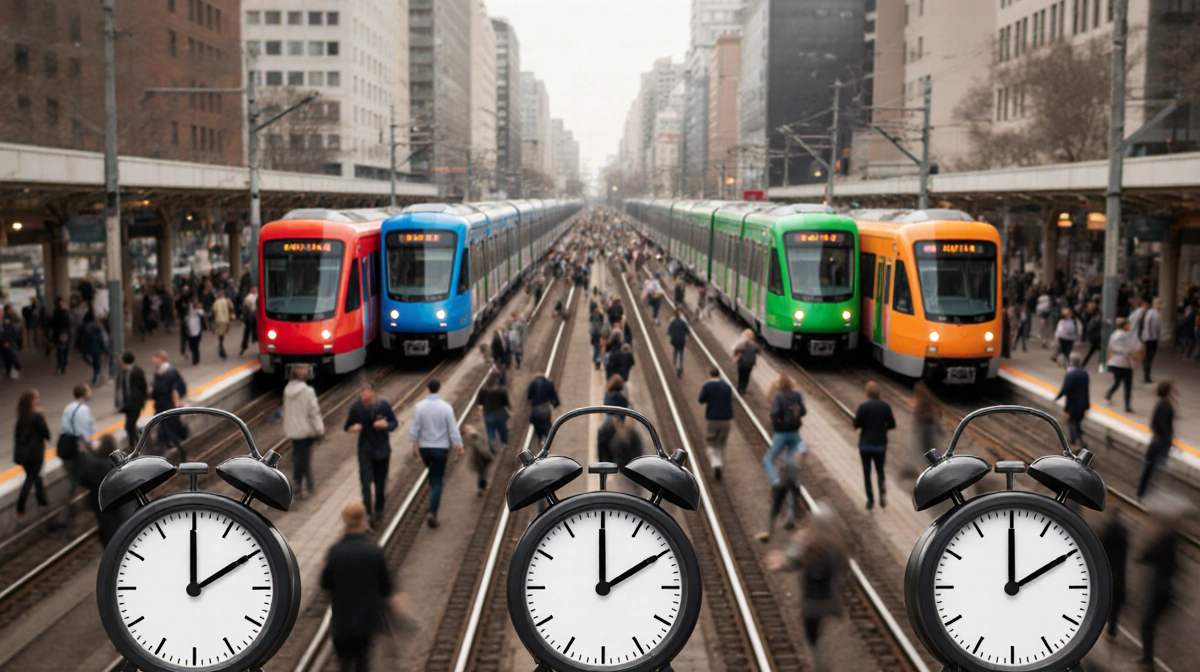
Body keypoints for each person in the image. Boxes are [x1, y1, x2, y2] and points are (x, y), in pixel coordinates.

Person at [320, 502, 397, 672]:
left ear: (344, 520)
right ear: (363, 520)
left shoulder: (336, 551)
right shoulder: (374, 551)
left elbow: (324, 582)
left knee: (344, 664)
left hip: (342, 622)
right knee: (363, 663)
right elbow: (385, 587)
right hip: (365, 623)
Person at [767, 510, 848, 668]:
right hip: (829, 602)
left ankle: (820, 665)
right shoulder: (836, 548)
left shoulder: (809, 545)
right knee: (818, 631)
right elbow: (843, 569)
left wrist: (779, 563)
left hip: (810, 604)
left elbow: (792, 562)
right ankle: (821, 658)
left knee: (813, 639)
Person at [407, 380, 462, 528]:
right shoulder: (446, 408)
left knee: (432, 474)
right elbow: (452, 429)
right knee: (437, 481)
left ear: (428, 389)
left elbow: (415, 428)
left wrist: (414, 444)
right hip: (440, 449)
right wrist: (459, 445)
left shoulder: (419, 407)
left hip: (425, 449)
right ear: (438, 389)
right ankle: (432, 511)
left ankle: (432, 501)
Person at [346, 384, 399, 524]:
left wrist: (386, 425)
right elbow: (347, 426)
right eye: (363, 401)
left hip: (382, 450)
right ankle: (368, 513)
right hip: (365, 450)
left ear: (374, 396)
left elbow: (394, 423)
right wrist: (353, 428)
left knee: (380, 483)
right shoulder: (356, 407)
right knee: (365, 483)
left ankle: (379, 508)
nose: (366, 403)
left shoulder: (384, 406)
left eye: (368, 400)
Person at [1137, 503, 1178, 668]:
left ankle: (1148, 659)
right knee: (1149, 624)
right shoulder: (1172, 539)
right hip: (1165, 590)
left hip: (1160, 591)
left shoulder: (1163, 540)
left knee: (1146, 625)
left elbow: (1145, 555)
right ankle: (1147, 658)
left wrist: (1148, 535)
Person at [852, 381, 896, 510]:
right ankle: (882, 491)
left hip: (865, 445)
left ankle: (870, 501)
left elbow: (856, 424)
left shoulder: (863, 407)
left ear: (867, 392)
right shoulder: (885, 406)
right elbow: (892, 424)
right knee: (880, 471)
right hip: (880, 445)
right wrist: (883, 428)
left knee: (867, 473)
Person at [284, 364, 324, 498]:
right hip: (305, 431)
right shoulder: (308, 391)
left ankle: (309, 484)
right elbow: (313, 413)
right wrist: (320, 429)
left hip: (293, 431)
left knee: (301, 456)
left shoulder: (287, 391)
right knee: (303, 458)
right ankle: (297, 483)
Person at [13, 389, 50, 519]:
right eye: (36, 398)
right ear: (32, 401)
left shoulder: (20, 418)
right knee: (30, 479)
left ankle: (42, 502)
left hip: (23, 456)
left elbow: (17, 437)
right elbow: (46, 433)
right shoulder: (37, 417)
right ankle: (20, 509)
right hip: (35, 456)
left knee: (36, 477)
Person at [1136, 380, 1175, 499]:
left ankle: (1143, 493)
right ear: (1168, 391)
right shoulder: (1165, 405)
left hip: (1159, 441)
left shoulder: (1162, 403)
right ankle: (1143, 493)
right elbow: (1158, 423)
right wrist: (1168, 436)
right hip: (1160, 443)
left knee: (1150, 468)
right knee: (1151, 469)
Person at [757, 445, 804, 542]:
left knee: (776, 507)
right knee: (792, 498)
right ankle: (790, 519)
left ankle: (769, 528)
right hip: (791, 479)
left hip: (780, 480)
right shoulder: (799, 446)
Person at [150, 350, 188, 460]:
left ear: (162, 359)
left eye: (155, 360)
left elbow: (179, 387)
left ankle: (180, 456)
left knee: (170, 433)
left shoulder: (171, 372)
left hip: (169, 407)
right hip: (160, 407)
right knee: (163, 434)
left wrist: (178, 401)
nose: (154, 363)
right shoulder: (157, 373)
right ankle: (169, 457)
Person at [697, 367, 734, 479]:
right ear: (719, 374)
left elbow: (701, 399)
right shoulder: (727, 386)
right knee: (721, 444)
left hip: (712, 419)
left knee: (710, 442)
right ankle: (721, 464)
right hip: (726, 420)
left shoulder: (708, 386)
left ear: (710, 374)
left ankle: (715, 462)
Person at [905, 382, 942, 480]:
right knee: (930, 456)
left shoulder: (921, 404)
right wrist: (940, 430)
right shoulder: (931, 402)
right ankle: (934, 474)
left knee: (923, 455)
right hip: (931, 433)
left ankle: (927, 478)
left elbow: (919, 419)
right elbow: (937, 418)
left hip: (924, 434)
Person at [1055, 353, 1091, 451]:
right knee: (1078, 423)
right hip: (1083, 404)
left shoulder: (1070, 374)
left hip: (1072, 404)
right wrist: (1087, 406)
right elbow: (1086, 390)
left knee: (1071, 422)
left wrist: (1057, 398)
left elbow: (1065, 389)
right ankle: (1082, 442)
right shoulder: (1085, 373)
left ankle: (1073, 443)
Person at [59, 383, 94, 480]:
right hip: (80, 445)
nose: (90, 392)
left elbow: (65, 426)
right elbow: (83, 430)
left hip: (68, 442)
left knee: (74, 468)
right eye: (88, 390)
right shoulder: (84, 409)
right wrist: (89, 443)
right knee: (85, 469)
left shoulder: (68, 407)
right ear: (84, 393)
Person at [1104, 317, 1139, 413]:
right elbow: (1132, 348)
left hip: (1115, 362)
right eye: (1128, 324)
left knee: (1117, 381)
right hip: (1125, 363)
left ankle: (1109, 393)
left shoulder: (1113, 335)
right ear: (1125, 326)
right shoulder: (1127, 336)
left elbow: (1109, 348)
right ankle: (1127, 405)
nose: (1130, 326)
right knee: (1128, 385)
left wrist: (1108, 360)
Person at [476, 373, 511, 469]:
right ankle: (504, 444)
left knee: (490, 430)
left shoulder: (483, 390)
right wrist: (509, 409)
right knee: (503, 429)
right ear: (497, 381)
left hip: (488, 414)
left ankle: (493, 443)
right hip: (500, 414)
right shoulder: (502, 390)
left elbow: (480, 402)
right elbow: (506, 403)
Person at [117, 352, 148, 447]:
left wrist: (143, 400)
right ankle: (137, 441)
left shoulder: (137, 371)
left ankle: (135, 443)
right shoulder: (123, 373)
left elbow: (143, 386)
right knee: (130, 424)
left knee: (129, 425)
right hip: (127, 404)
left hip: (135, 403)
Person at [527, 371, 561, 447]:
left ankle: (540, 438)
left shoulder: (532, 383)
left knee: (536, 424)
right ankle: (546, 439)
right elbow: (554, 395)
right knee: (546, 424)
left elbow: (529, 397)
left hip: (536, 409)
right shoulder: (549, 383)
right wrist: (556, 404)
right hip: (545, 408)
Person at [1139, 297, 1163, 383]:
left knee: (1150, 357)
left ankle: (1147, 375)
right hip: (1150, 338)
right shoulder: (1152, 313)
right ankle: (1146, 376)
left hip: (1152, 337)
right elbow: (1148, 325)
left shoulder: (1156, 313)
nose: (1160, 306)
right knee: (1148, 357)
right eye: (1158, 304)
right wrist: (1149, 335)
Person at [82, 311, 109, 385]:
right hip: (98, 349)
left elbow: (83, 341)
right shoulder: (99, 328)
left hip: (90, 349)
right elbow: (104, 339)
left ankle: (95, 379)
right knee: (98, 364)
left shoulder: (85, 328)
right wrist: (107, 349)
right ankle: (96, 379)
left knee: (95, 365)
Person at [732, 330, 759, 396]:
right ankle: (743, 389)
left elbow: (736, 350)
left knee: (741, 376)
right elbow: (758, 352)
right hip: (750, 364)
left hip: (742, 363)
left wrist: (735, 357)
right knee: (747, 376)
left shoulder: (742, 344)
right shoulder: (754, 345)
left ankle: (739, 388)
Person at [51, 297, 71, 375]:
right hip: (63, 334)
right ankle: (62, 367)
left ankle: (61, 366)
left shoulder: (57, 312)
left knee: (60, 352)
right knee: (63, 351)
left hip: (60, 334)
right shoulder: (63, 312)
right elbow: (67, 323)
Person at [211, 289, 234, 359]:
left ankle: (221, 349)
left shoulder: (216, 302)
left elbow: (214, 311)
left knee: (220, 336)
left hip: (219, 320)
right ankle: (221, 349)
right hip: (225, 320)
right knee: (222, 335)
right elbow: (232, 307)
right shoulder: (227, 301)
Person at [1079, 301, 1103, 367]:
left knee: (1092, 351)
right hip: (1095, 336)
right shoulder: (1092, 314)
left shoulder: (1098, 313)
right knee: (1093, 350)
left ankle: (1083, 364)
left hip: (1097, 335)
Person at [666, 308, 689, 378]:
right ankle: (680, 367)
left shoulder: (672, 322)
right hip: (682, 341)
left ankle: (675, 364)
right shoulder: (683, 322)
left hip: (675, 341)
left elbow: (668, 332)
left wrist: (671, 334)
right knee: (681, 354)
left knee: (675, 351)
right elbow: (687, 330)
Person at [0, 305, 21, 380]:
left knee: (10, 356)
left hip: (8, 342)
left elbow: (10, 331)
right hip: (3, 342)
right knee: (4, 357)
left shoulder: (6, 320)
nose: (1, 313)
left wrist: (8, 341)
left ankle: (13, 369)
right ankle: (6, 370)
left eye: (1, 311)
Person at [240, 286, 259, 356]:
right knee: (254, 331)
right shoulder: (252, 297)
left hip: (248, 317)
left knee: (247, 332)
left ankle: (244, 346)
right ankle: (253, 341)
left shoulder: (248, 298)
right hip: (253, 316)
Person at [184, 301, 204, 365]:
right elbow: (185, 324)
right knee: (193, 347)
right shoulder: (187, 316)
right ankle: (195, 358)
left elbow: (202, 317)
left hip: (197, 333)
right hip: (191, 334)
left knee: (195, 347)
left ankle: (195, 359)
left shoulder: (198, 313)